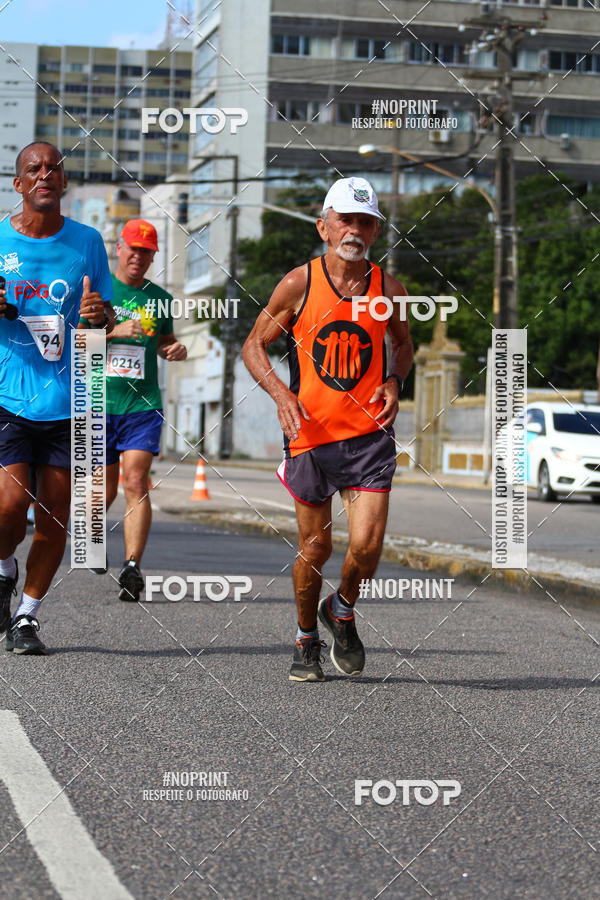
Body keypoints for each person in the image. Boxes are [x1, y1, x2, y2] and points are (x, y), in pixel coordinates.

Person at [243, 176, 414, 682]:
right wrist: (281, 394)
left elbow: (402, 345)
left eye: (365, 222)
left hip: (368, 436)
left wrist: (393, 380)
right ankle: (305, 638)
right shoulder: (300, 283)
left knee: (367, 546)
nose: (355, 230)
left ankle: (341, 608)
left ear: (377, 231)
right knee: (315, 548)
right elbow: (254, 345)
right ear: (324, 226)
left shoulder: (390, 290)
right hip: (310, 435)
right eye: (346, 219)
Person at [0, 142, 113, 655]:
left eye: (54, 168)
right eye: (33, 169)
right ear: (19, 184)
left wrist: (98, 316)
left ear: (63, 183)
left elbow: (104, 319)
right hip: (9, 396)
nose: (45, 174)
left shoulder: (87, 241)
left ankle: (26, 616)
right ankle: (4, 568)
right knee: (8, 506)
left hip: (72, 398)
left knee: (56, 515)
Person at [101, 219, 187, 602]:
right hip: (98, 402)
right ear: (119, 248)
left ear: (154, 256)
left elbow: (164, 340)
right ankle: (90, 541)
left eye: (146, 251)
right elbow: (74, 338)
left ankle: (132, 567)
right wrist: (113, 333)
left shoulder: (161, 299)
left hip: (142, 403)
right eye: (133, 248)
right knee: (101, 490)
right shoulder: (96, 291)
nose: (138, 256)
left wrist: (174, 349)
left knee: (135, 481)